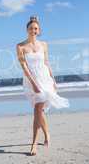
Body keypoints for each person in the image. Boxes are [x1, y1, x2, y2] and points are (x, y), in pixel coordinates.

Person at [16, 15, 70, 156]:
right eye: (30, 28)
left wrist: (53, 79)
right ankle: (40, 139)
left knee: (38, 110)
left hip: (45, 78)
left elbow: (46, 62)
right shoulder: (20, 46)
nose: (33, 30)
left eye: (35, 28)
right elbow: (24, 67)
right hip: (31, 80)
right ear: (26, 30)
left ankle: (39, 140)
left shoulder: (44, 45)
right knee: (38, 110)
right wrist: (34, 84)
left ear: (39, 30)